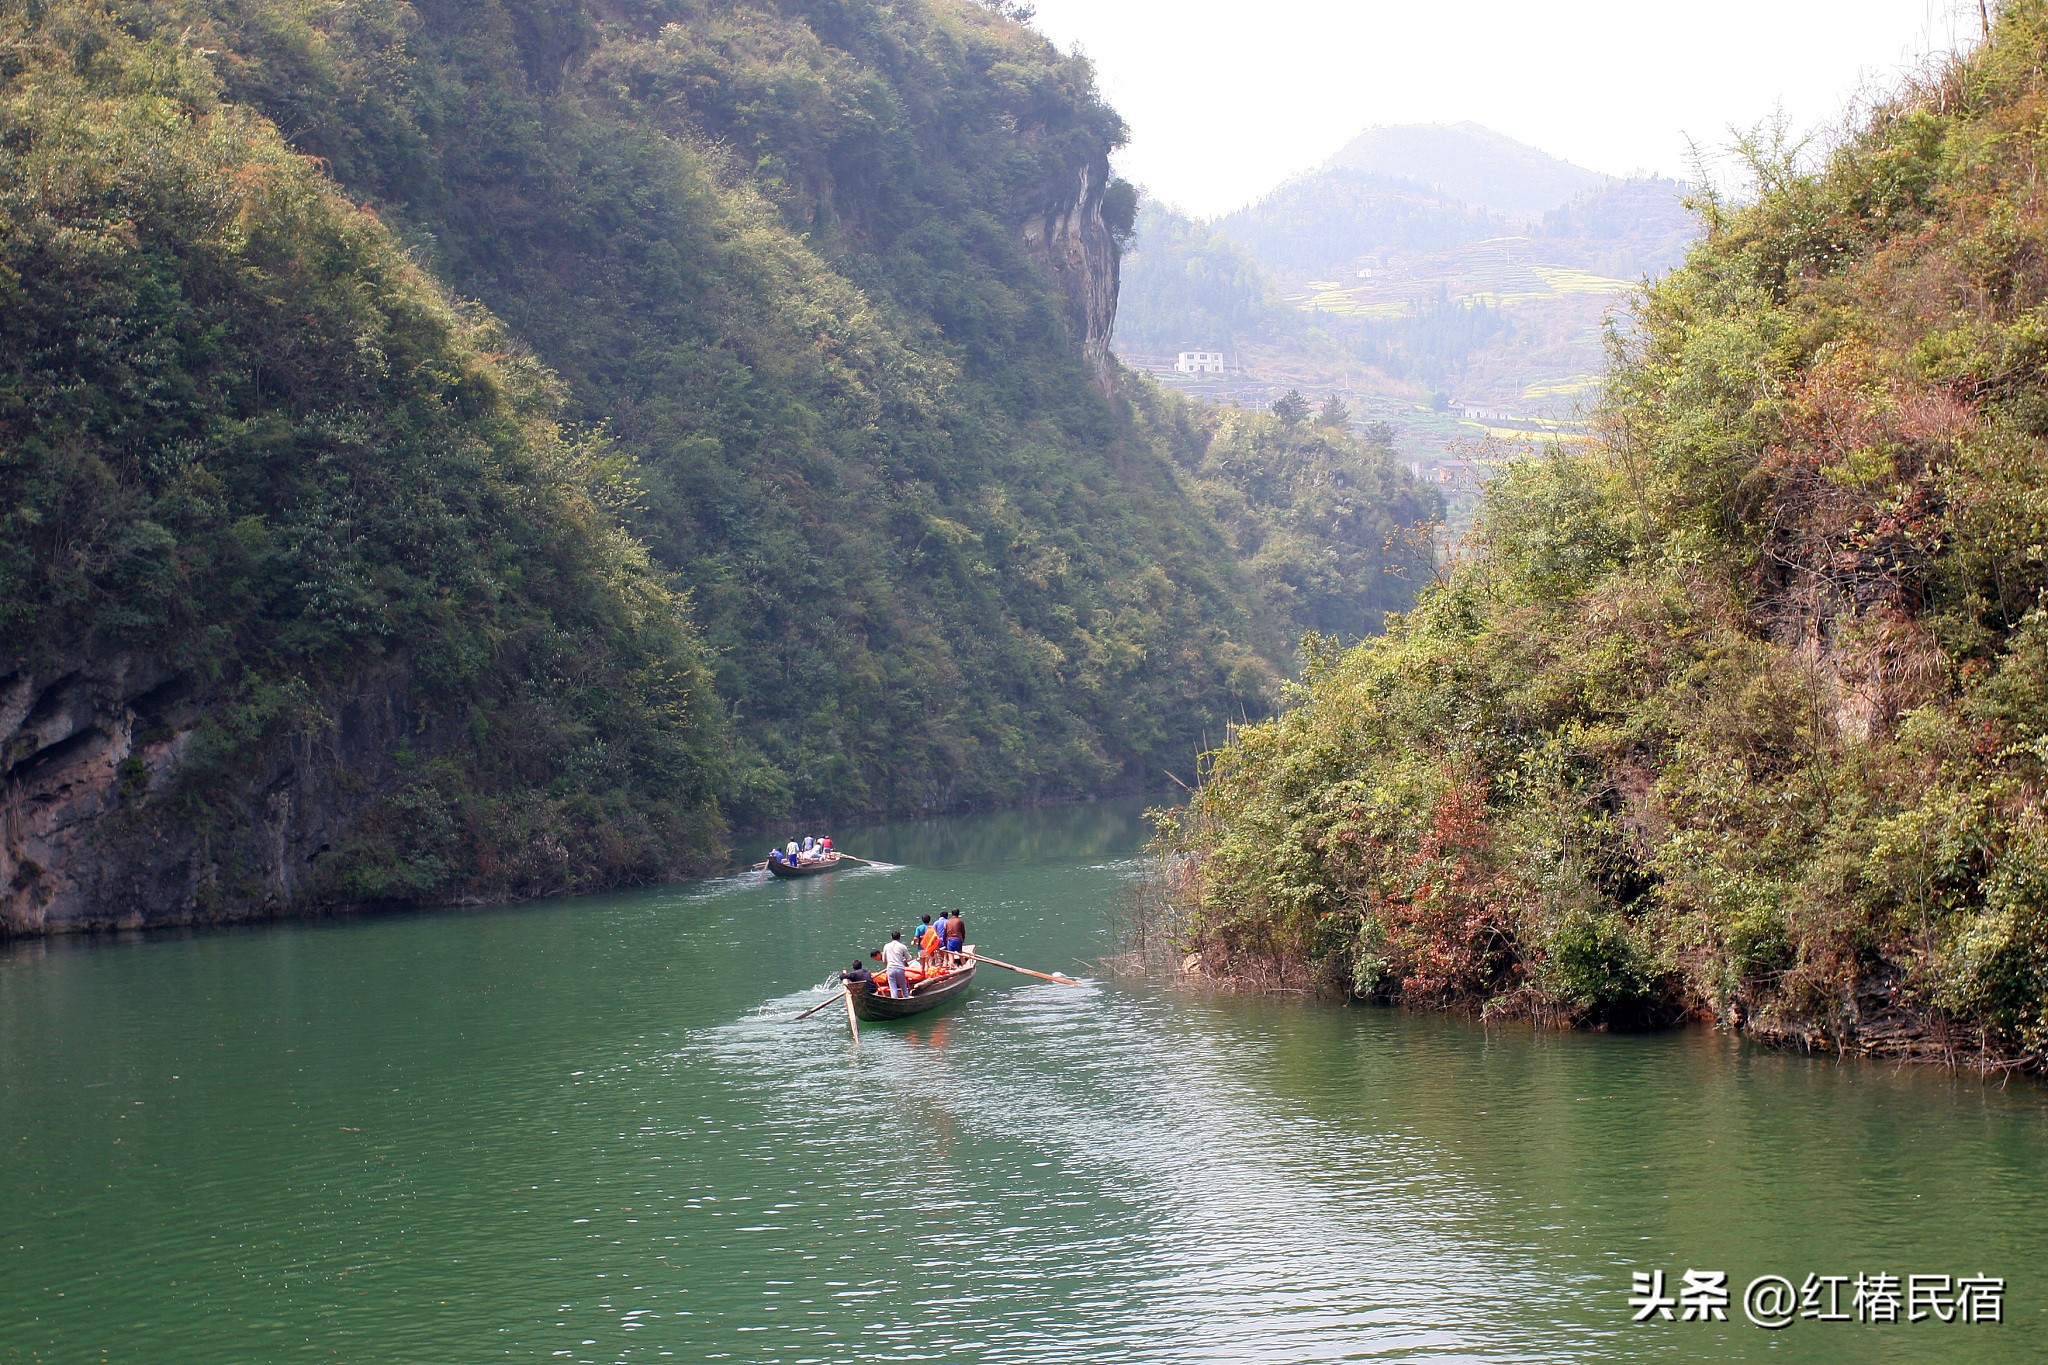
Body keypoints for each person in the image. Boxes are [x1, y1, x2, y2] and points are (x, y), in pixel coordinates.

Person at [880, 931, 914, 999]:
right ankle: (906, 998)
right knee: (904, 987)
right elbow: (909, 958)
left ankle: (894, 1000)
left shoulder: (886, 946)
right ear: (899, 938)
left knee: (893, 989)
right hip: (900, 969)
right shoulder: (902, 946)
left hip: (890, 969)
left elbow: (884, 960)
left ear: (891, 937)